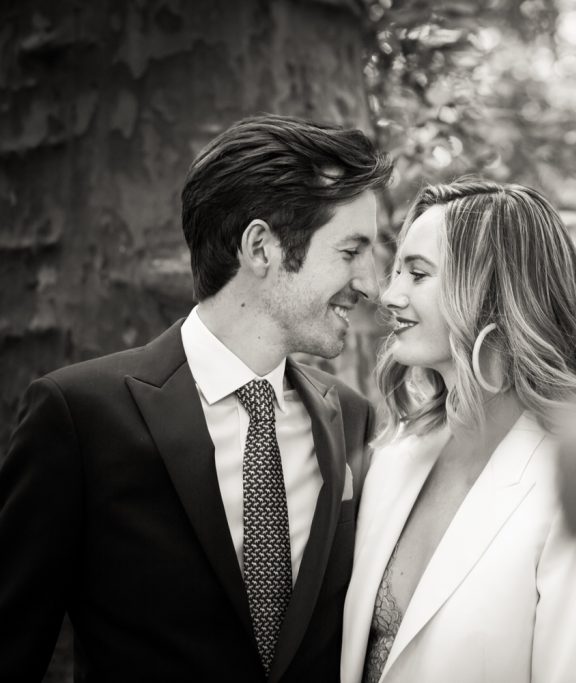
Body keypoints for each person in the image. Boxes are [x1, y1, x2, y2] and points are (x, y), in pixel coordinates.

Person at [0, 114, 392, 682]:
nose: (372, 284)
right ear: (262, 247)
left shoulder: (353, 419)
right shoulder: (79, 416)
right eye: (351, 251)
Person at [340, 180, 576, 683]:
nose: (389, 295)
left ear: (490, 293)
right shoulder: (392, 458)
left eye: (417, 274)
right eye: (396, 271)